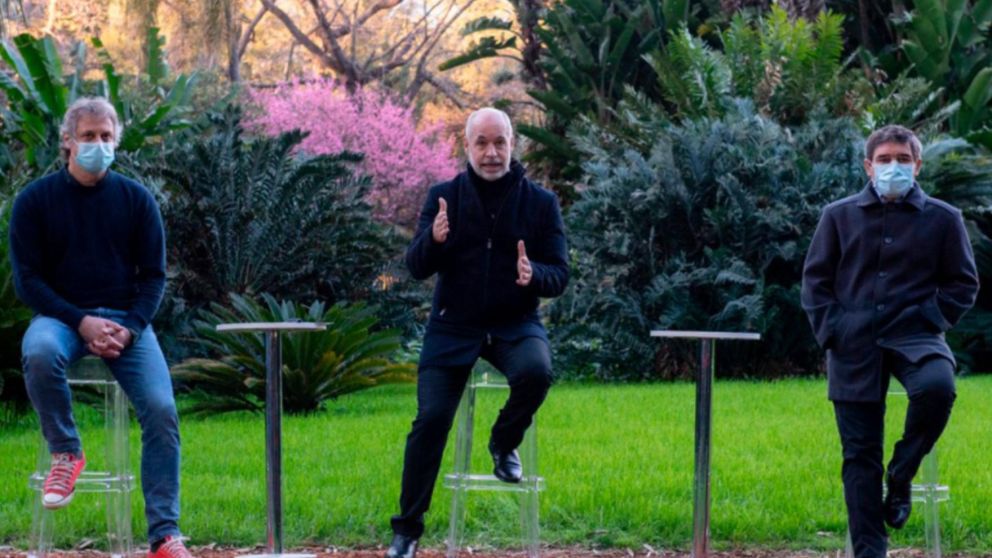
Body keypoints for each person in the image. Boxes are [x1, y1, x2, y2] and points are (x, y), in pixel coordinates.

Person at [9, 97, 192, 558]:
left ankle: (164, 534)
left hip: (126, 322)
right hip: (61, 318)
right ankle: (67, 452)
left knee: (161, 409)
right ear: (67, 142)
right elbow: (27, 280)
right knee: (38, 352)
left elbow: (153, 277)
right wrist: (81, 320)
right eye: (88, 136)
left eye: (106, 136)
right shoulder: (35, 201)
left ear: (117, 140)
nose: (97, 144)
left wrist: (129, 328)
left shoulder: (136, 199)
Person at [385, 107, 569, 558]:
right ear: (467, 147)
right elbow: (414, 265)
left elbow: (559, 273)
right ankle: (407, 531)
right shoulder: (444, 197)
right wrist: (436, 239)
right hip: (453, 326)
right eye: (481, 143)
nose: (491, 153)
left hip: (515, 323)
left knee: (536, 372)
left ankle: (503, 441)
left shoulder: (541, 203)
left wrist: (534, 275)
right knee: (430, 422)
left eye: (499, 142)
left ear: (513, 144)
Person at [801, 124, 979, 558]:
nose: (893, 167)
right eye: (884, 160)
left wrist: (929, 317)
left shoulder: (943, 218)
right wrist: (834, 331)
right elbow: (815, 282)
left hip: (917, 335)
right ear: (868, 166)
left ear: (917, 165)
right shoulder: (838, 215)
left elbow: (963, 284)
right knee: (860, 455)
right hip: (853, 343)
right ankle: (869, 552)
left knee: (938, 388)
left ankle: (901, 476)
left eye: (902, 159)